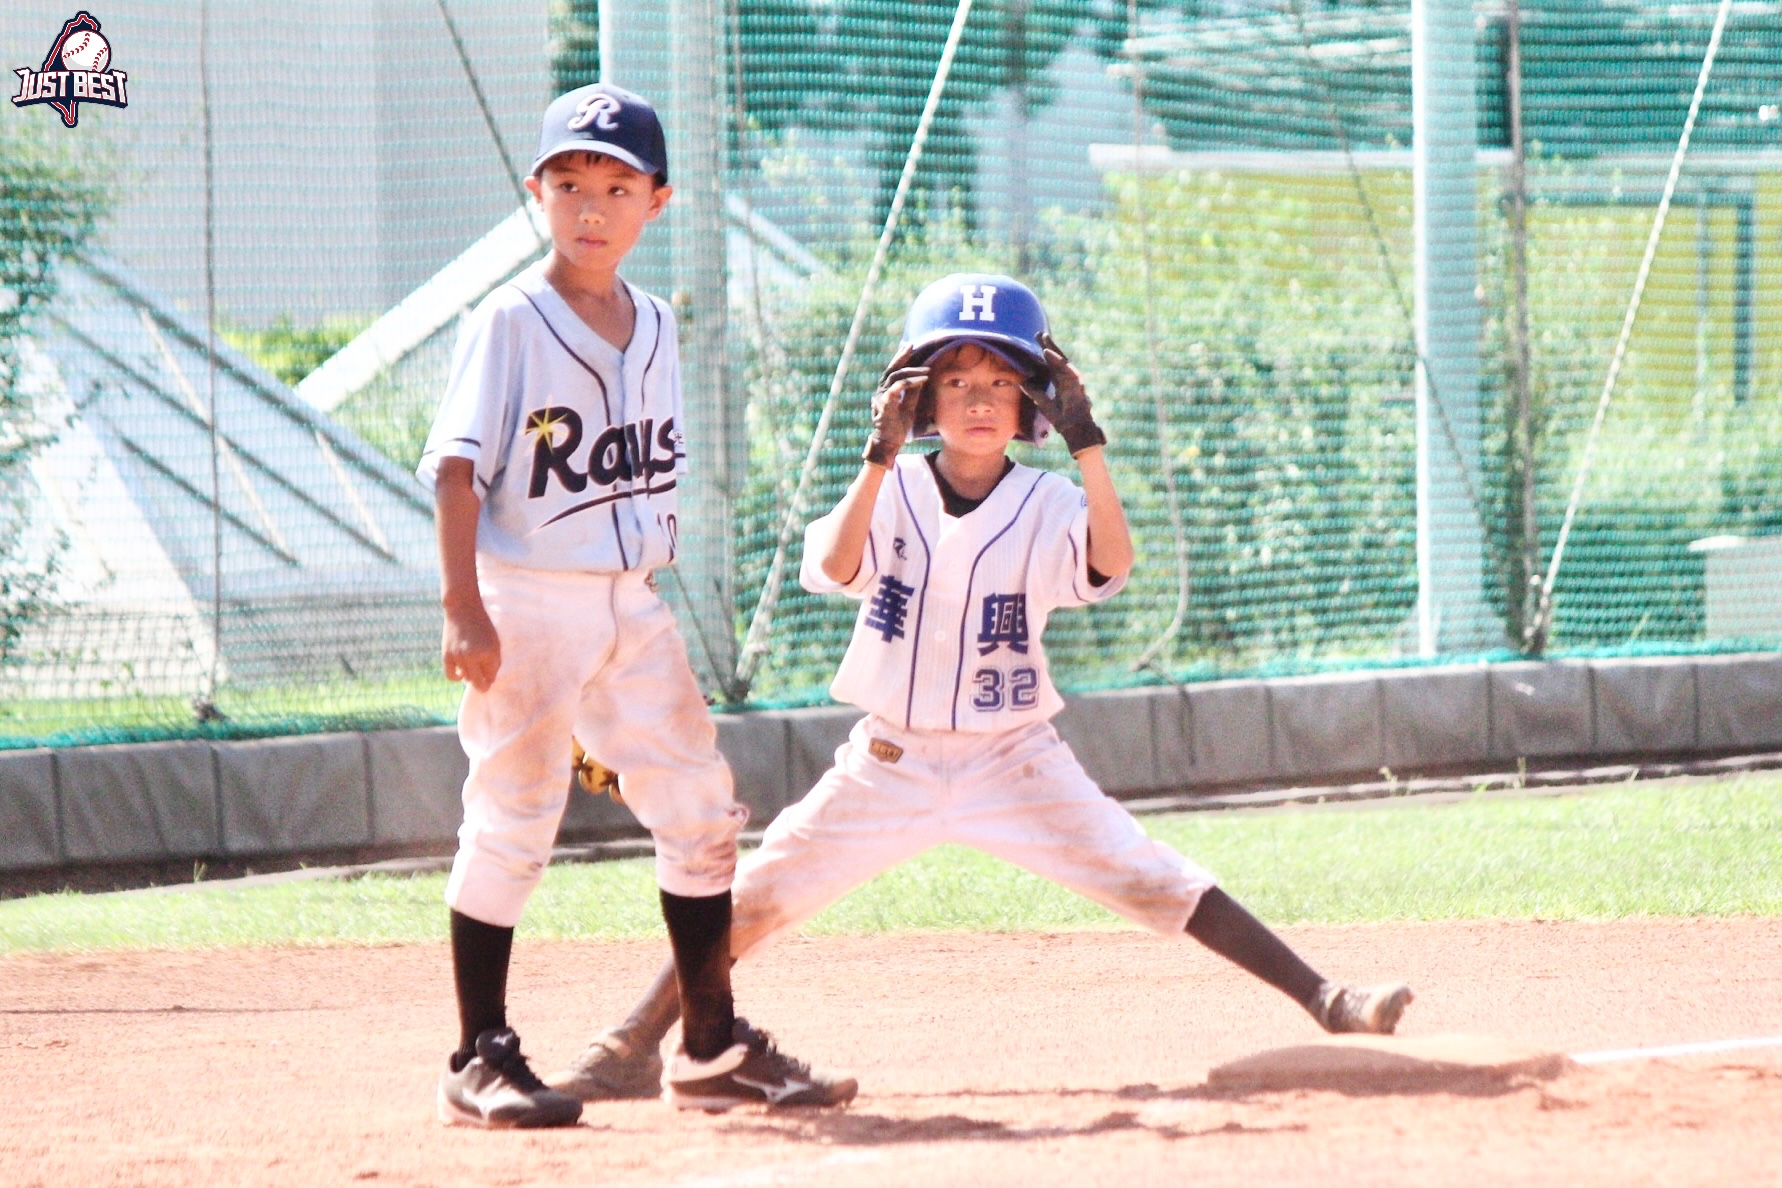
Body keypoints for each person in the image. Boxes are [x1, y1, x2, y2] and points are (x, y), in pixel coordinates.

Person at [548, 273, 1414, 1104]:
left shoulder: (1045, 499)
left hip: (1014, 758)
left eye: (1003, 381)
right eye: (955, 378)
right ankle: (631, 1043)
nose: (978, 398)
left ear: (1033, 403)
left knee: (1153, 875)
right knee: (757, 896)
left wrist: (1090, 446)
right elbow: (834, 564)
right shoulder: (889, 488)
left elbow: (1110, 563)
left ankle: (1326, 998)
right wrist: (877, 459)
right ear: (917, 398)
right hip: (891, 757)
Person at [418, 82, 850, 1128]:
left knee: (702, 812)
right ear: (538, 194)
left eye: (616, 186)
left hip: (629, 604)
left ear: (657, 201)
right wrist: (463, 607)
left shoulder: (655, 324)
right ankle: (478, 1056)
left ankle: (708, 1046)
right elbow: (455, 470)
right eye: (569, 184)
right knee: (516, 816)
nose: (591, 207)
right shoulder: (510, 320)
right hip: (528, 599)